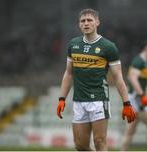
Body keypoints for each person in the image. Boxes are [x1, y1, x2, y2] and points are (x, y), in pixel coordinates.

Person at [56, 8, 136, 151]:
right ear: (79, 24)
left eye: (89, 20)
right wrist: (62, 98)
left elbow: (118, 77)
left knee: (99, 142)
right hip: (79, 100)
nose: (86, 23)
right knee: (80, 146)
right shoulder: (73, 44)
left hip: (99, 99)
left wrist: (127, 103)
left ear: (97, 22)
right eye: (83, 21)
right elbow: (68, 73)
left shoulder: (108, 47)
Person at [121, 39, 147, 151]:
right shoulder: (139, 61)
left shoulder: (144, 62)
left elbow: (142, 83)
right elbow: (132, 78)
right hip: (136, 98)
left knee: (130, 130)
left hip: (137, 98)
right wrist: (143, 97)